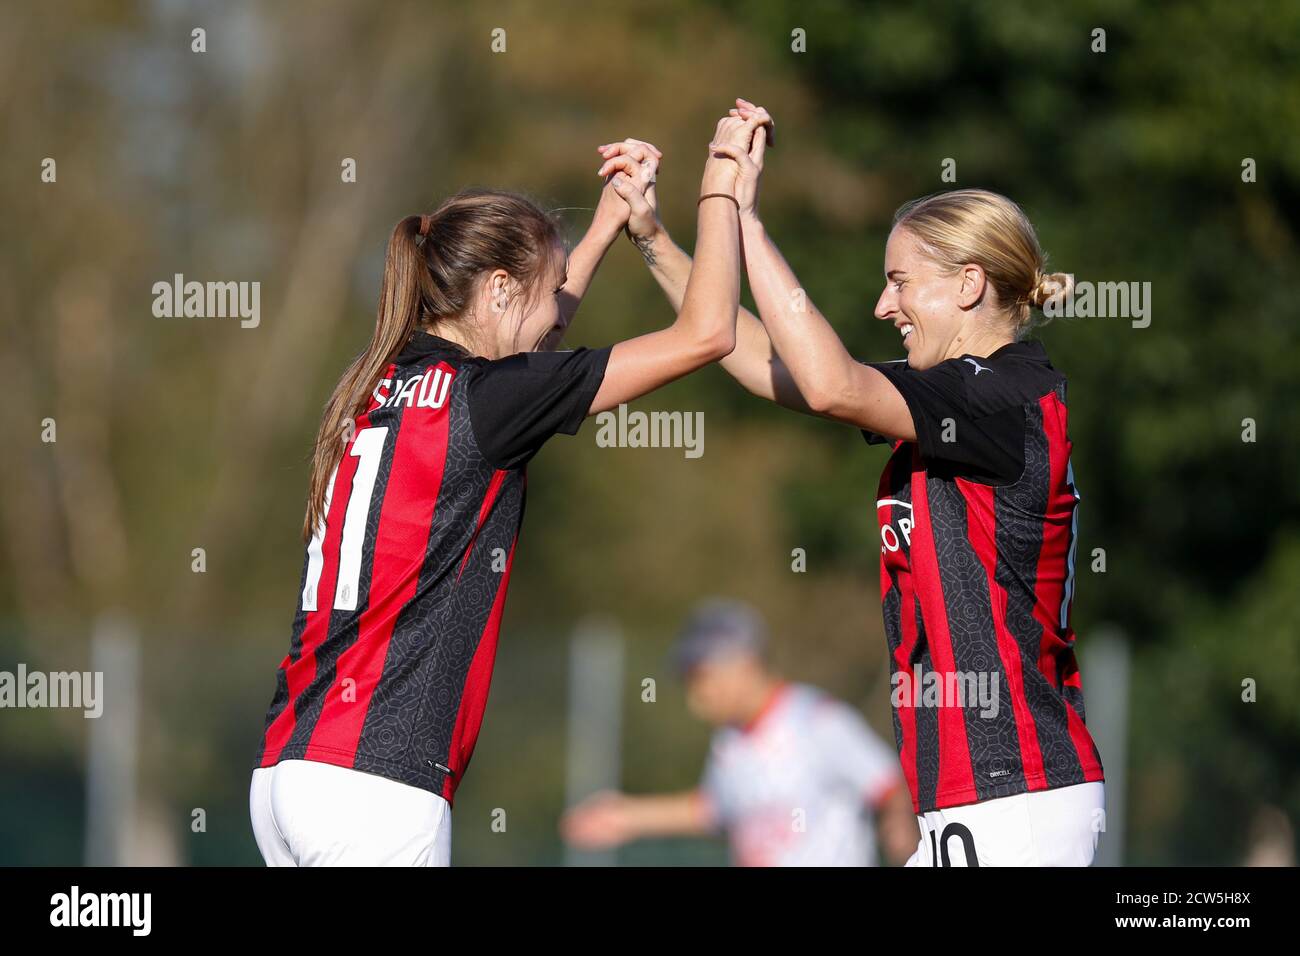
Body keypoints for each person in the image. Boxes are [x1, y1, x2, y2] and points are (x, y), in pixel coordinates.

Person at [248, 107, 770, 866]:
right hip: (376, 784)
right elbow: (708, 334)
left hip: (288, 769)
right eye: (546, 288)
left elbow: (534, 346)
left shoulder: (374, 382)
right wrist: (720, 191)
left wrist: (604, 228)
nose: (554, 314)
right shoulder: (486, 399)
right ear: (495, 289)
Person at [598, 100, 1105, 866]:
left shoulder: (999, 399)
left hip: (1014, 787)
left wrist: (746, 219)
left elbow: (832, 384)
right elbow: (769, 365)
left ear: (969, 284)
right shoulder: (961, 395)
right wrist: (656, 241)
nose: (882, 305)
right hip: (983, 792)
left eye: (900, 282)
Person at [561, 600, 916, 866]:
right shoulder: (730, 743)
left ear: (743, 665)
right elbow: (714, 808)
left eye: (702, 677)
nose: (696, 694)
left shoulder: (819, 722)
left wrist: (899, 827)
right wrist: (626, 816)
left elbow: (890, 786)